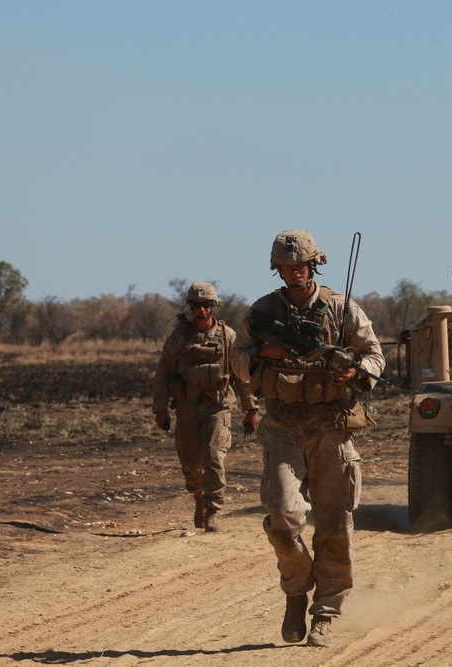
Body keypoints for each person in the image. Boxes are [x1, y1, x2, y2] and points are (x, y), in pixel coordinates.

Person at [230, 230, 385, 648]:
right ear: (277, 269)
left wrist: (354, 372)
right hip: (283, 425)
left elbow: (375, 354)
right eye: (286, 266)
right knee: (282, 515)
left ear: (313, 265)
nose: (294, 271)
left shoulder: (340, 307)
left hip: (332, 424)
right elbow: (238, 363)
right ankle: (296, 590)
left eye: (301, 265)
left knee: (334, 525)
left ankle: (325, 615)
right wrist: (265, 353)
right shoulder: (263, 311)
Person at [152, 282, 259, 533]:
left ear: (214, 306)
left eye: (207, 304)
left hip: (218, 407)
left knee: (213, 458)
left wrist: (250, 409)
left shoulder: (227, 336)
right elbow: (163, 374)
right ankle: (199, 498)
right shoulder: (178, 338)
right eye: (197, 305)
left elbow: (241, 375)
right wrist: (160, 408)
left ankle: (213, 511)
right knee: (190, 464)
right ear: (190, 306)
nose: (202, 309)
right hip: (187, 408)